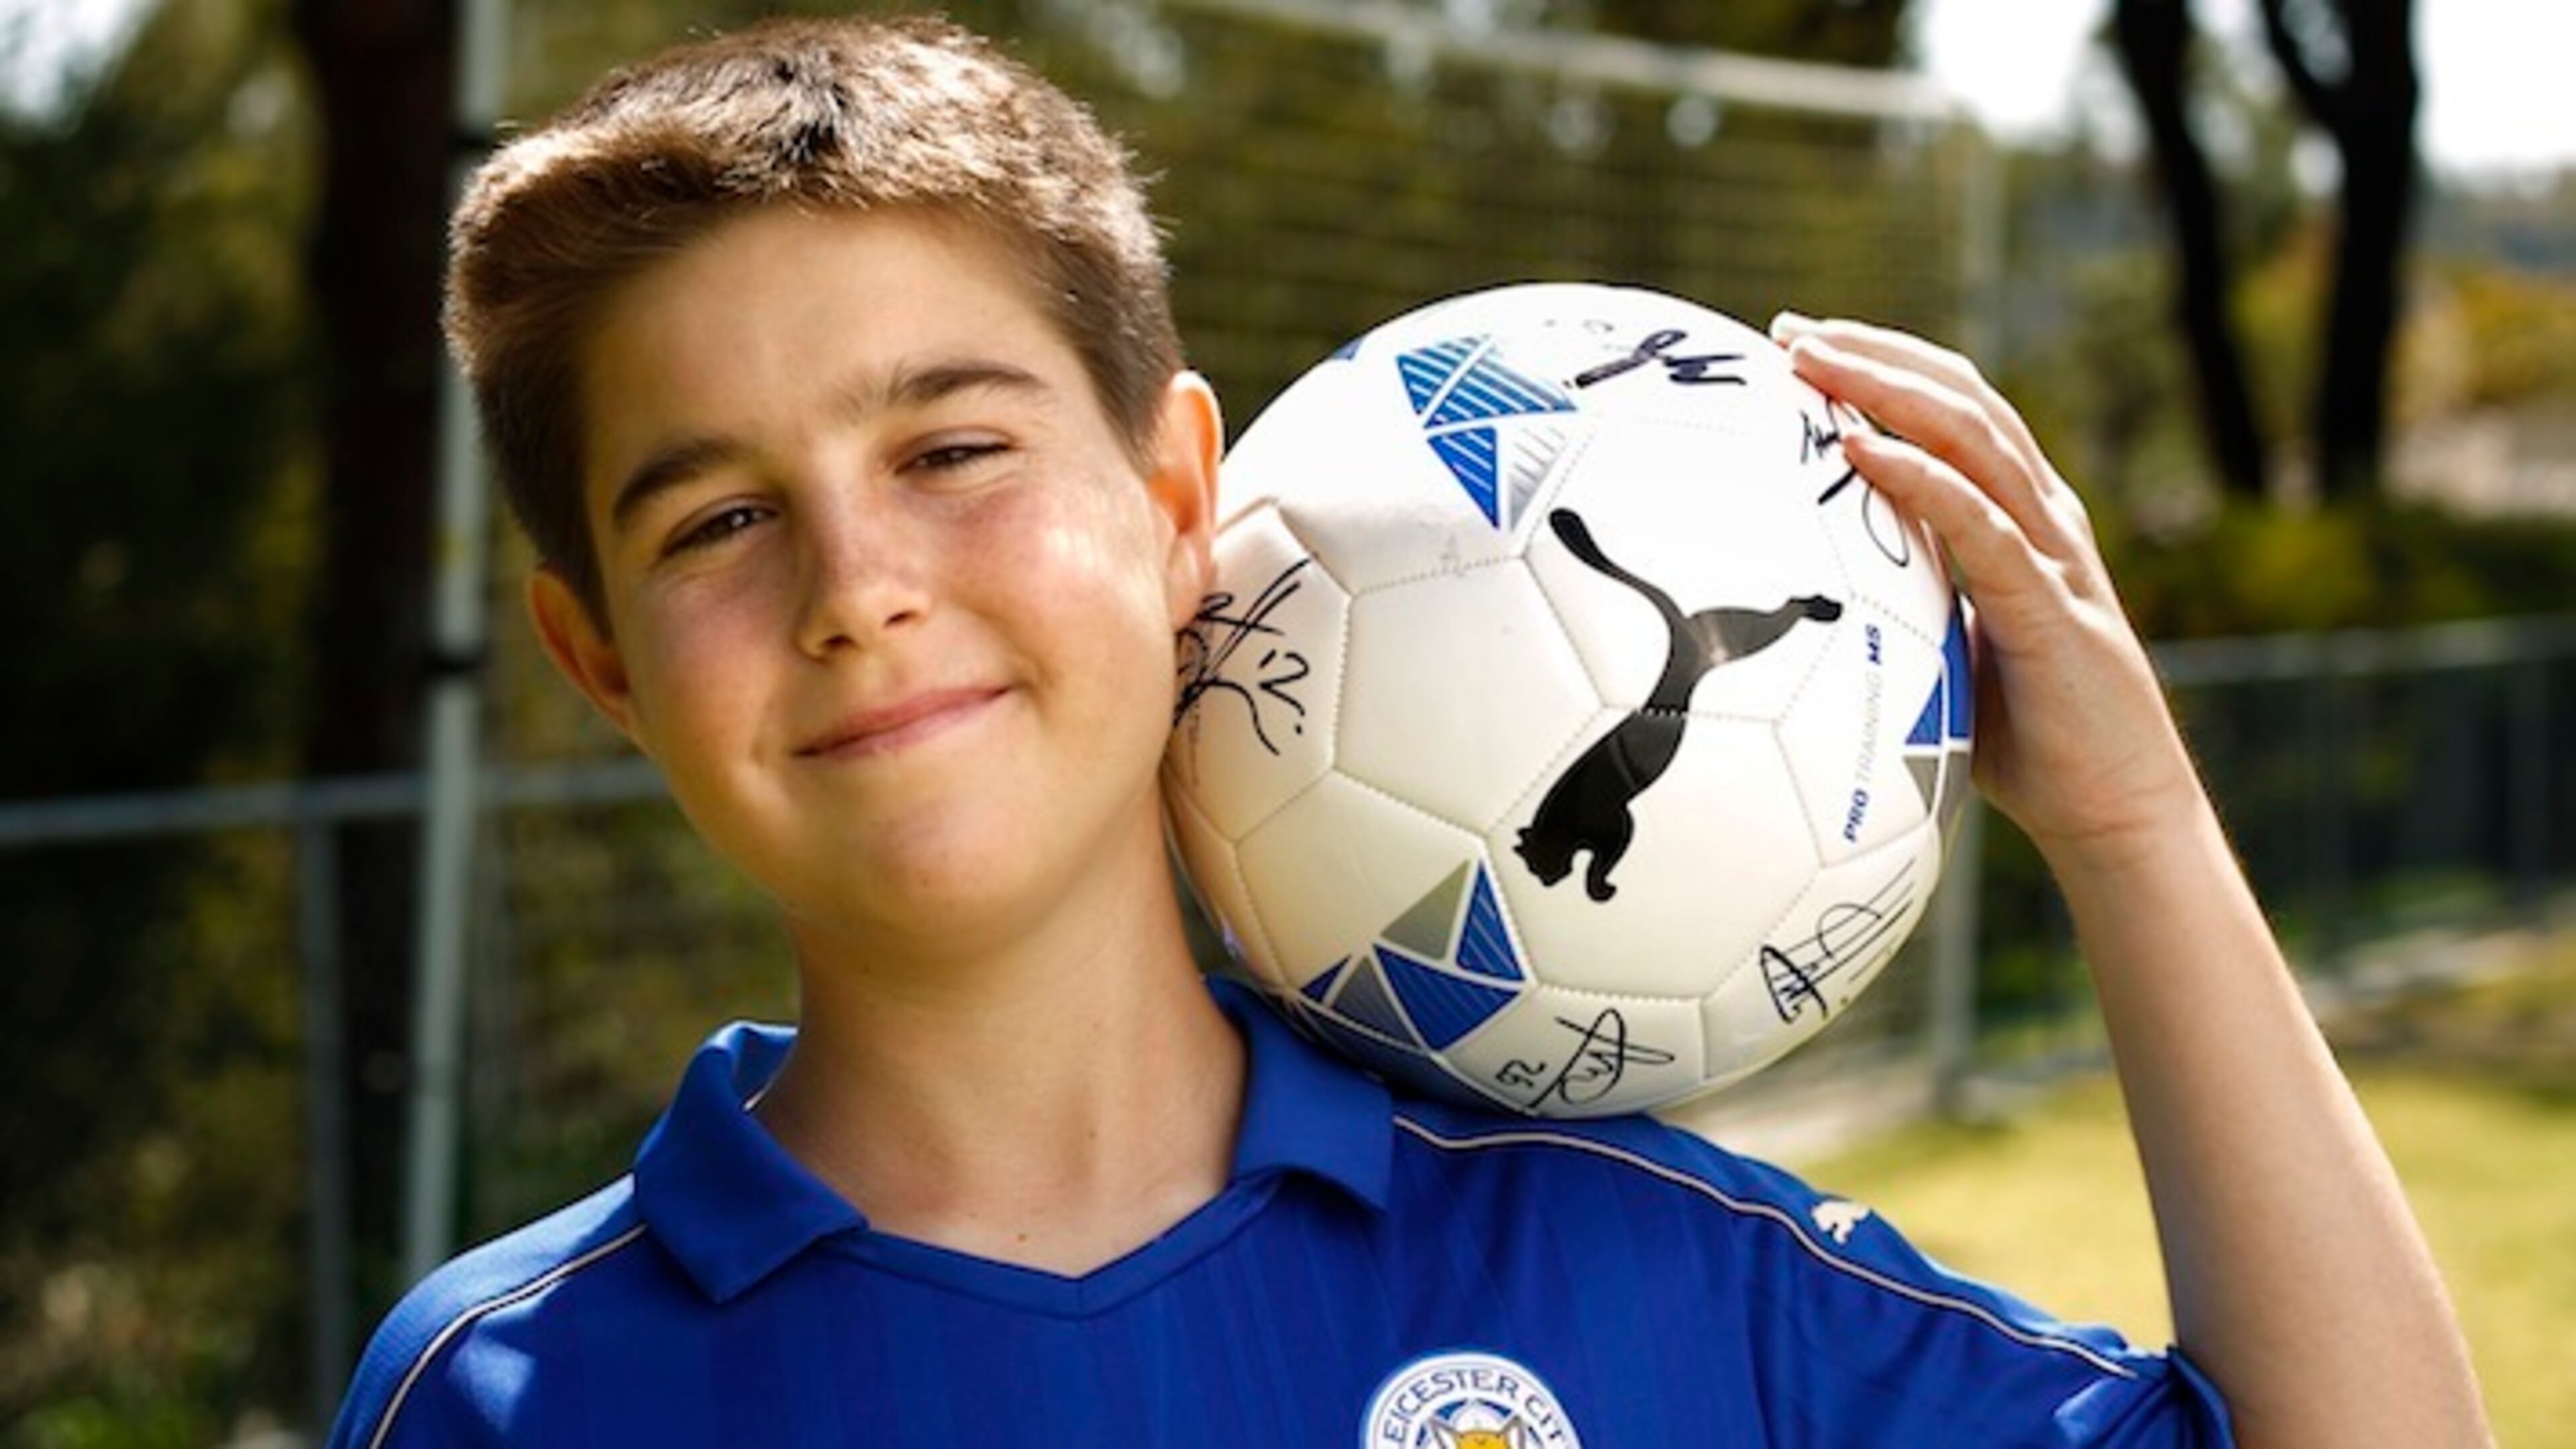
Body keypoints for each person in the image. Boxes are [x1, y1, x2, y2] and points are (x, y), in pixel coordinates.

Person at [327, 14, 2488, 1448]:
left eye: (954, 448)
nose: (858, 581)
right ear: (598, 657)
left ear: (1182, 500)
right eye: (716, 517)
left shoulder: (1647, 1273)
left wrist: (2129, 818)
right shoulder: (504, 1390)